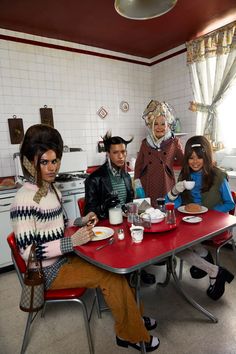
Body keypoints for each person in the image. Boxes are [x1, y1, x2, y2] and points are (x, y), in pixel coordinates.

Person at [10, 124, 159, 352]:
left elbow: (61, 225)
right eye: (44, 162)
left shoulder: (50, 190)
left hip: (65, 259)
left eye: (55, 161)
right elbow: (28, 251)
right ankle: (130, 334)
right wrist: (72, 242)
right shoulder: (24, 198)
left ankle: (133, 320)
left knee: (116, 268)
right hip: (47, 271)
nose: (52, 168)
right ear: (31, 162)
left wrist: (82, 220)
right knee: (110, 277)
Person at [166, 135, 235, 301]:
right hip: (191, 224)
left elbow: (230, 204)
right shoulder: (185, 175)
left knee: (176, 247)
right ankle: (213, 268)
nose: (194, 162)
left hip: (214, 226)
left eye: (199, 157)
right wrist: (175, 191)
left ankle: (206, 262)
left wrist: (207, 214)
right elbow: (172, 205)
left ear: (207, 157)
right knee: (171, 244)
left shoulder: (218, 176)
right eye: (190, 158)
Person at [84, 131, 156, 285]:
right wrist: (104, 207)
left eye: (123, 152)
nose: (120, 156)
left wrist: (138, 207)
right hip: (106, 226)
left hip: (124, 222)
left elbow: (129, 201)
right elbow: (88, 212)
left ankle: (138, 269)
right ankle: (126, 273)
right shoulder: (94, 178)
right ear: (108, 154)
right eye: (115, 152)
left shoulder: (125, 176)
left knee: (148, 231)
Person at [134, 100, 184, 207]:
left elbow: (183, 161)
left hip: (166, 184)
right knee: (147, 214)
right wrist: (138, 186)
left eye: (163, 124)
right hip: (147, 184)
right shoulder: (145, 143)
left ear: (168, 125)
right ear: (151, 126)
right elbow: (138, 166)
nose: (159, 127)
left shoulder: (174, 142)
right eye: (155, 124)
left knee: (166, 212)